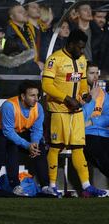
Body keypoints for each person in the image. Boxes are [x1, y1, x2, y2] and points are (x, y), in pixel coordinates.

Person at [42, 29, 107, 197]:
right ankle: (51, 186)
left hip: (76, 111)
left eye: (83, 47)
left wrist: (84, 93)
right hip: (59, 111)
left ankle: (86, 186)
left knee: (78, 148)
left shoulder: (82, 60)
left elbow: (82, 81)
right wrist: (66, 99)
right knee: (56, 147)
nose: (82, 51)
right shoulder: (54, 59)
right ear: (70, 45)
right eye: (79, 47)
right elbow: (46, 86)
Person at [0, 80, 59, 197]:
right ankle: (15, 185)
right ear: (23, 96)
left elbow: (37, 129)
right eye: (32, 95)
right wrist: (26, 145)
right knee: (12, 145)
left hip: (19, 132)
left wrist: (34, 143)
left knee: (39, 147)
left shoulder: (38, 107)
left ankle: (45, 186)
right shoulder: (9, 106)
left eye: (37, 95)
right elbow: (8, 131)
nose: (36, 99)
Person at [82, 62, 109, 178]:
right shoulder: (77, 92)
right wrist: (92, 99)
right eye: (91, 73)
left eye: (96, 73)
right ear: (84, 74)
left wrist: (93, 121)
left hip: (104, 133)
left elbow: (108, 117)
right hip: (86, 135)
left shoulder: (103, 94)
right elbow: (80, 117)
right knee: (103, 158)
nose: (95, 77)